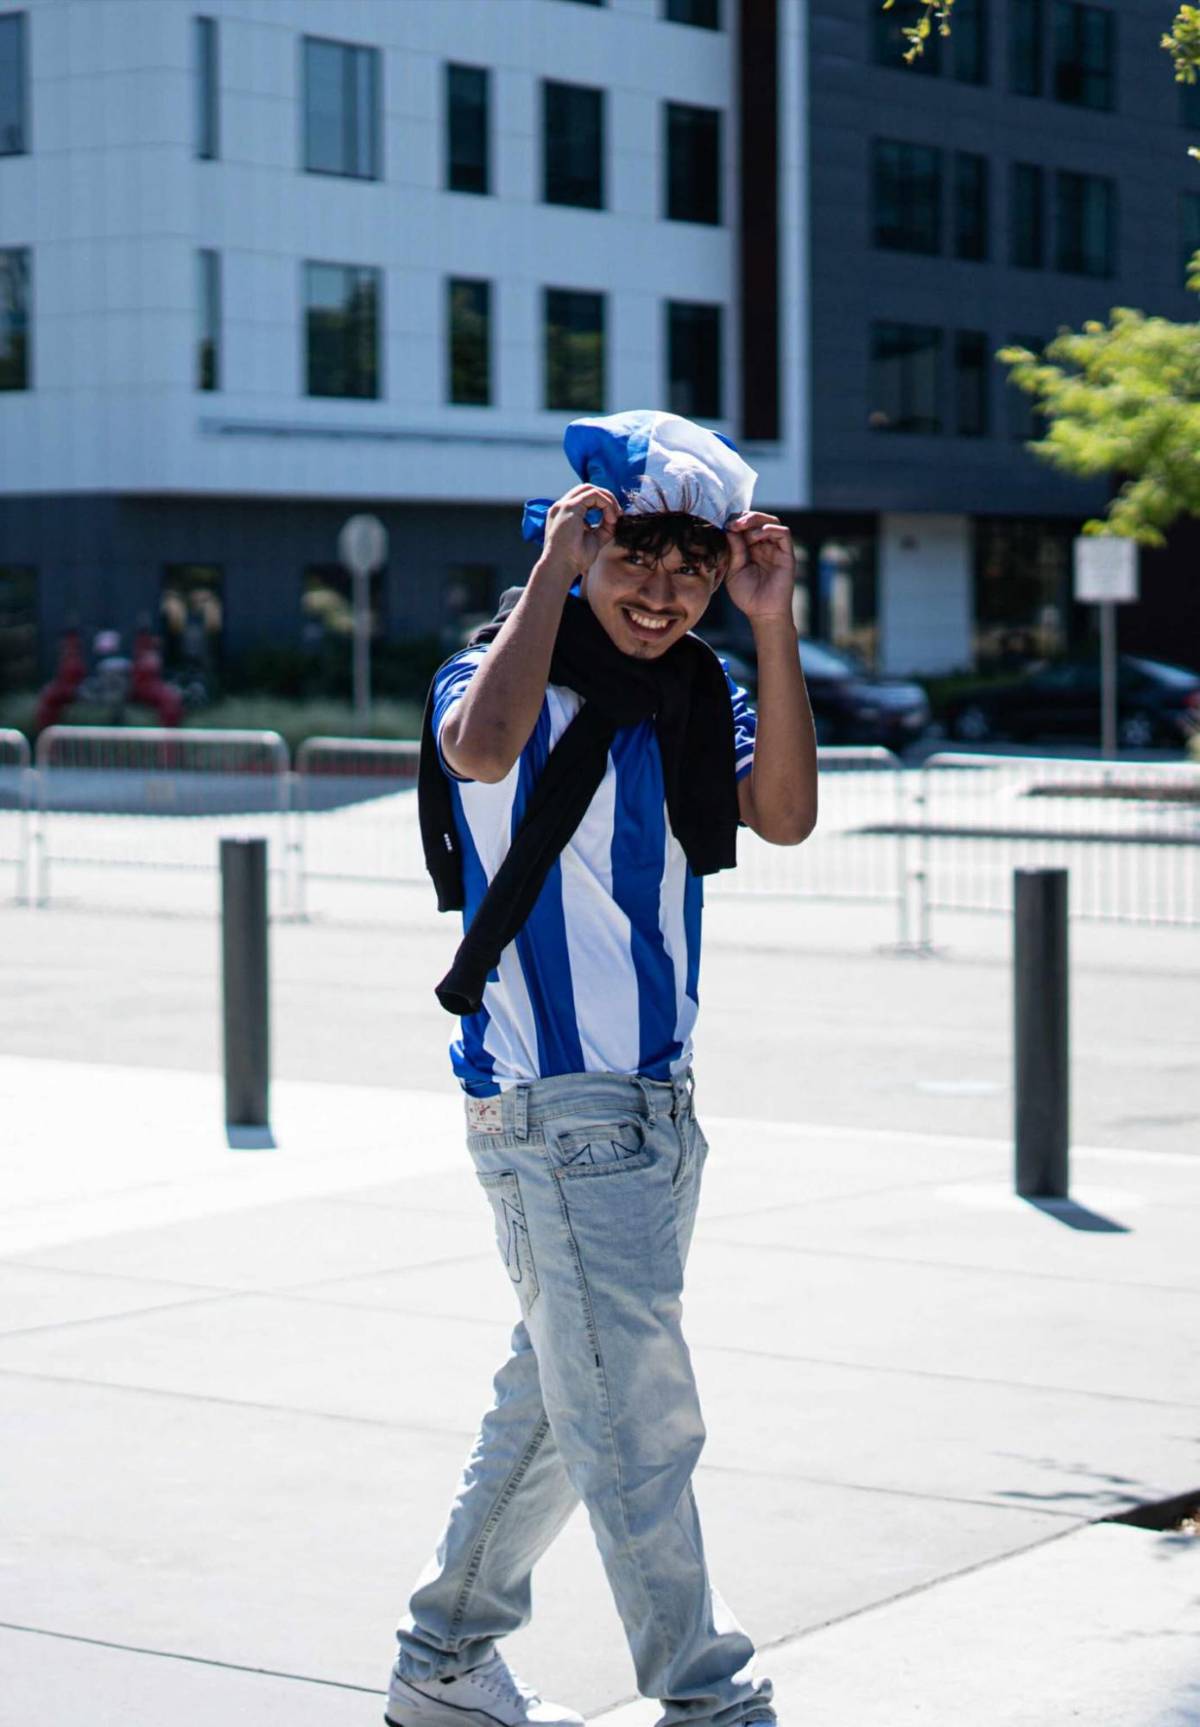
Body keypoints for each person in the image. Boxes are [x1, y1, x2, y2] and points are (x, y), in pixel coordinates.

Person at [391, 411, 818, 1727]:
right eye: (635, 559)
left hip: (658, 1112)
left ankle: (443, 1665)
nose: (661, 591)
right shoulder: (501, 673)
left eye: (690, 572)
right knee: (639, 1424)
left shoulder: (700, 693)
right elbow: (480, 749)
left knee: (561, 1408)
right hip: (554, 1109)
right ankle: (709, 1699)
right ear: (579, 545)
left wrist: (768, 619)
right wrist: (550, 574)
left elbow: (785, 816)